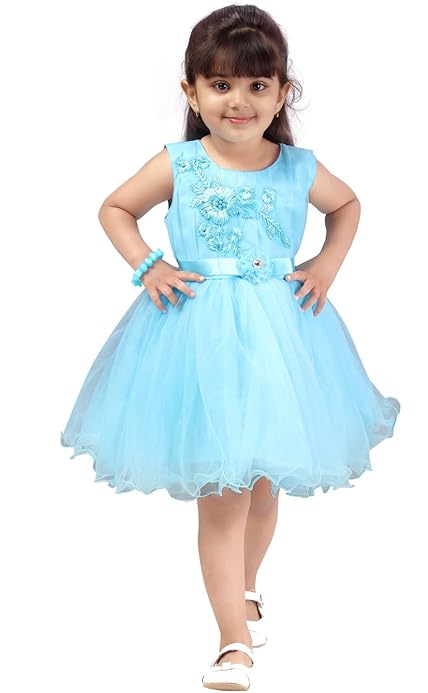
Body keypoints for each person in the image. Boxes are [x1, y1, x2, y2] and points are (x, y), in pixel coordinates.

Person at [60, 4, 401, 690]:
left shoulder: (297, 168)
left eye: (256, 85)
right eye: (220, 85)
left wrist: (326, 263)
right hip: (196, 339)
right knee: (223, 490)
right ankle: (232, 642)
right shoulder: (181, 165)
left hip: (284, 340)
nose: (238, 101)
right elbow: (115, 208)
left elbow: (347, 206)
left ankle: (245, 587)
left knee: (264, 485)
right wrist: (148, 265)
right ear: (191, 92)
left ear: (281, 93)